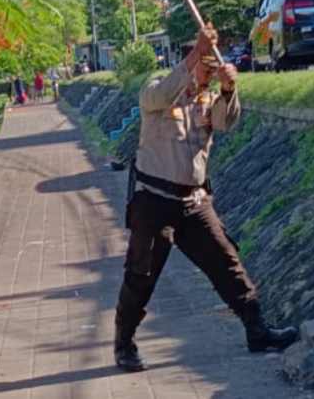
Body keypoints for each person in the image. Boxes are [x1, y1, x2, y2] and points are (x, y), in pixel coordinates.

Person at [114, 22, 298, 372]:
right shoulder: (159, 90)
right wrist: (196, 52)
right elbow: (160, 94)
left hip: (194, 201)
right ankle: (124, 343)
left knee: (226, 262)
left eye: (214, 69)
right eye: (204, 66)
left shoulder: (208, 100)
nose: (209, 74)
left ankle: (256, 329)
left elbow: (226, 122)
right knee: (142, 272)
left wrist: (230, 91)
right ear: (191, 60)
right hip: (153, 199)